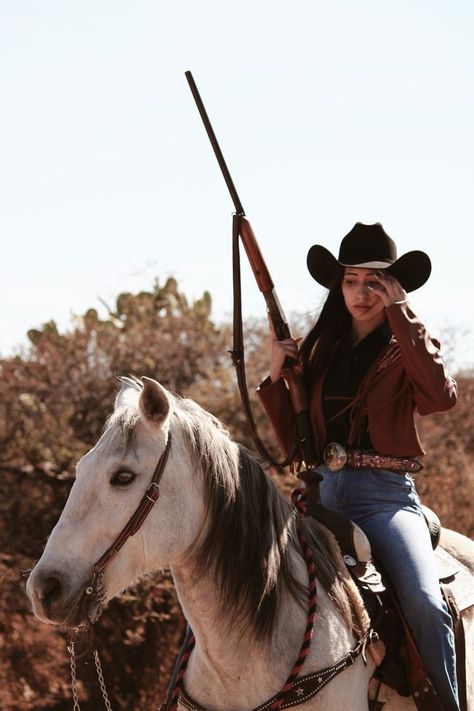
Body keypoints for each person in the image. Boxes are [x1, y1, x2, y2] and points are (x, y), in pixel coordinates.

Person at [258, 222, 459, 710]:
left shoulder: (407, 345)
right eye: (351, 281)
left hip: (385, 497)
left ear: (392, 287)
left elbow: (439, 397)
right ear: (338, 286)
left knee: (426, 605)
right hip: (323, 494)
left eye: (375, 282)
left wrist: (403, 314)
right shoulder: (320, 349)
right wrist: (276, 375)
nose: (361, 293)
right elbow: (296, 446)